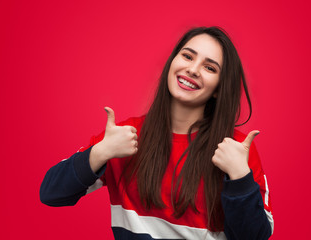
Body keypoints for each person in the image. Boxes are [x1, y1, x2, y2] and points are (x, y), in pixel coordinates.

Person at [40, 26, 274, 240]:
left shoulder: (237, 150)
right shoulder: (124, 138)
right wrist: (100, 152)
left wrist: (240, 178)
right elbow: (51, 194)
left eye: (209, 67)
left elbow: (255, 237)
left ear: (219, 89)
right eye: (187, 56)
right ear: (172, 62)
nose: (192, 69)